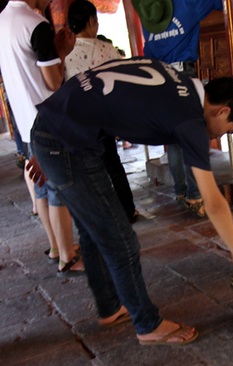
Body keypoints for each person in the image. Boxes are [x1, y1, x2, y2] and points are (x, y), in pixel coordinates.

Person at [26, 57, 233, 345]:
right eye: (227, 129)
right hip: (63, 141)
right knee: (121, 240)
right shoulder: (189, 118)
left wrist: (47, 133)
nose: (219, 135)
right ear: (223, 110)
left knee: (94, 227)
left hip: (59, 129)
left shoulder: (175, 78)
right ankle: (147, 325)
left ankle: (110, 307)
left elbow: (92, 84)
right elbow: (212, 200)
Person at [0, 0, 85, 276]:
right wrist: (63, 51)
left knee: (42, 188)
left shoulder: (4, 20)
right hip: (46, 119)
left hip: (25, 122)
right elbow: (53, 81)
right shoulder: (35, 24)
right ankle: (68, 257)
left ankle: (56, 247)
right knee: (59, 189)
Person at [133, 0, 224, 218]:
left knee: (174, 139)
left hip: (159, 79)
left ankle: (181, 192)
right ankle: (195, 195)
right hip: (183, 76)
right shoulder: (185, 5)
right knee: (192, 137)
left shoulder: (149, 11)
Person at [65, 0, 138, 223]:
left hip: (78, 121)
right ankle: (127, 209)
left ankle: (100, 214)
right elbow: (123, 83)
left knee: (89, 170)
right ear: (90, 21)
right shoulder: (106, 49)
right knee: (112, 165)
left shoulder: (64, 54)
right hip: (103, 118)